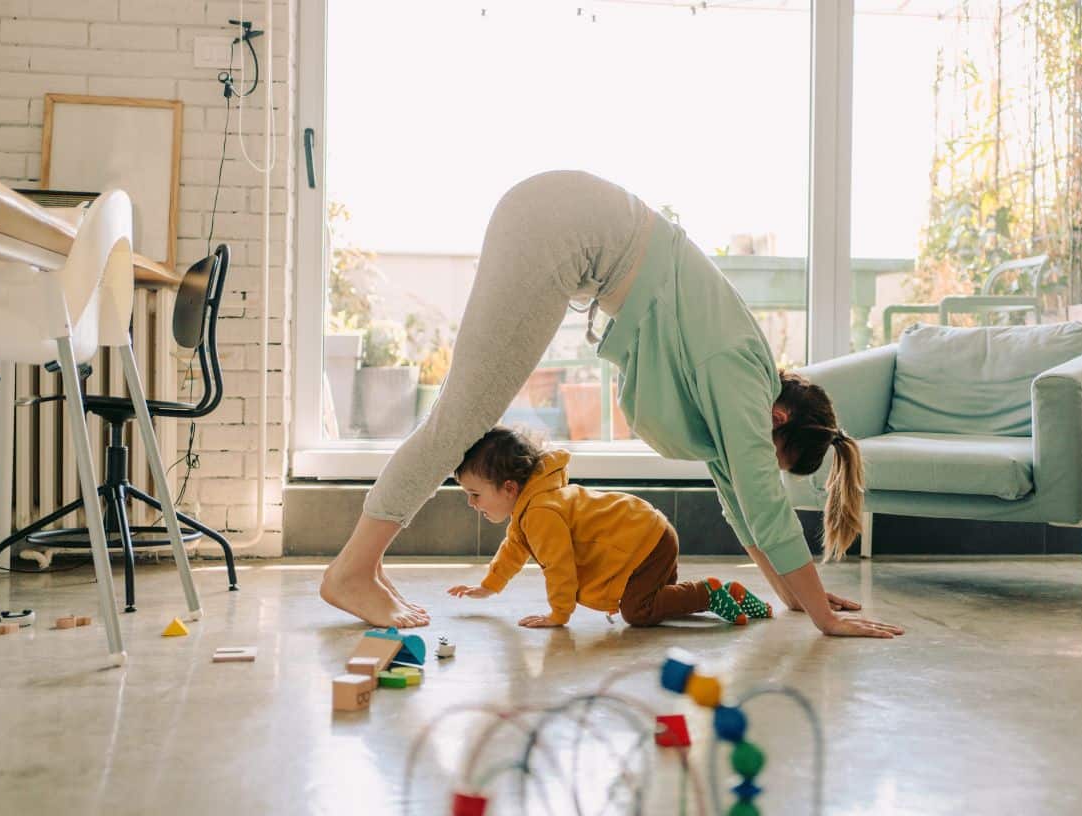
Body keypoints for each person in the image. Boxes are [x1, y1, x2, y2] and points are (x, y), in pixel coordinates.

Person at [320, 170, 903, 639]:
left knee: (458, 413)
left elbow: (735, 495)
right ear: (779, 418)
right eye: (770, 451)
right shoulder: (737, 371)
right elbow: (760, 498)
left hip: (562, 218)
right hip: (561, 227)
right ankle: (351, 569)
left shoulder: (738, 366)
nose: (753, 452)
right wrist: (825, 619)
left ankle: (365, 566)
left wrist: (792, 594)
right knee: (461, 419)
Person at [446, 426, 771, 627]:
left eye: (475, 494)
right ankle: (725, 597)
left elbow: (559, 567)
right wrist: (489, 586)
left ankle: (710, 593)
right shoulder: (529, 510)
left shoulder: (541, 513)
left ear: (509, 488)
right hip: (648, 536)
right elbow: (512, 551)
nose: (472, 504)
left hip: (644, 544)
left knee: (638, 612)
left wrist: (558, 614)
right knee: (656, 603)